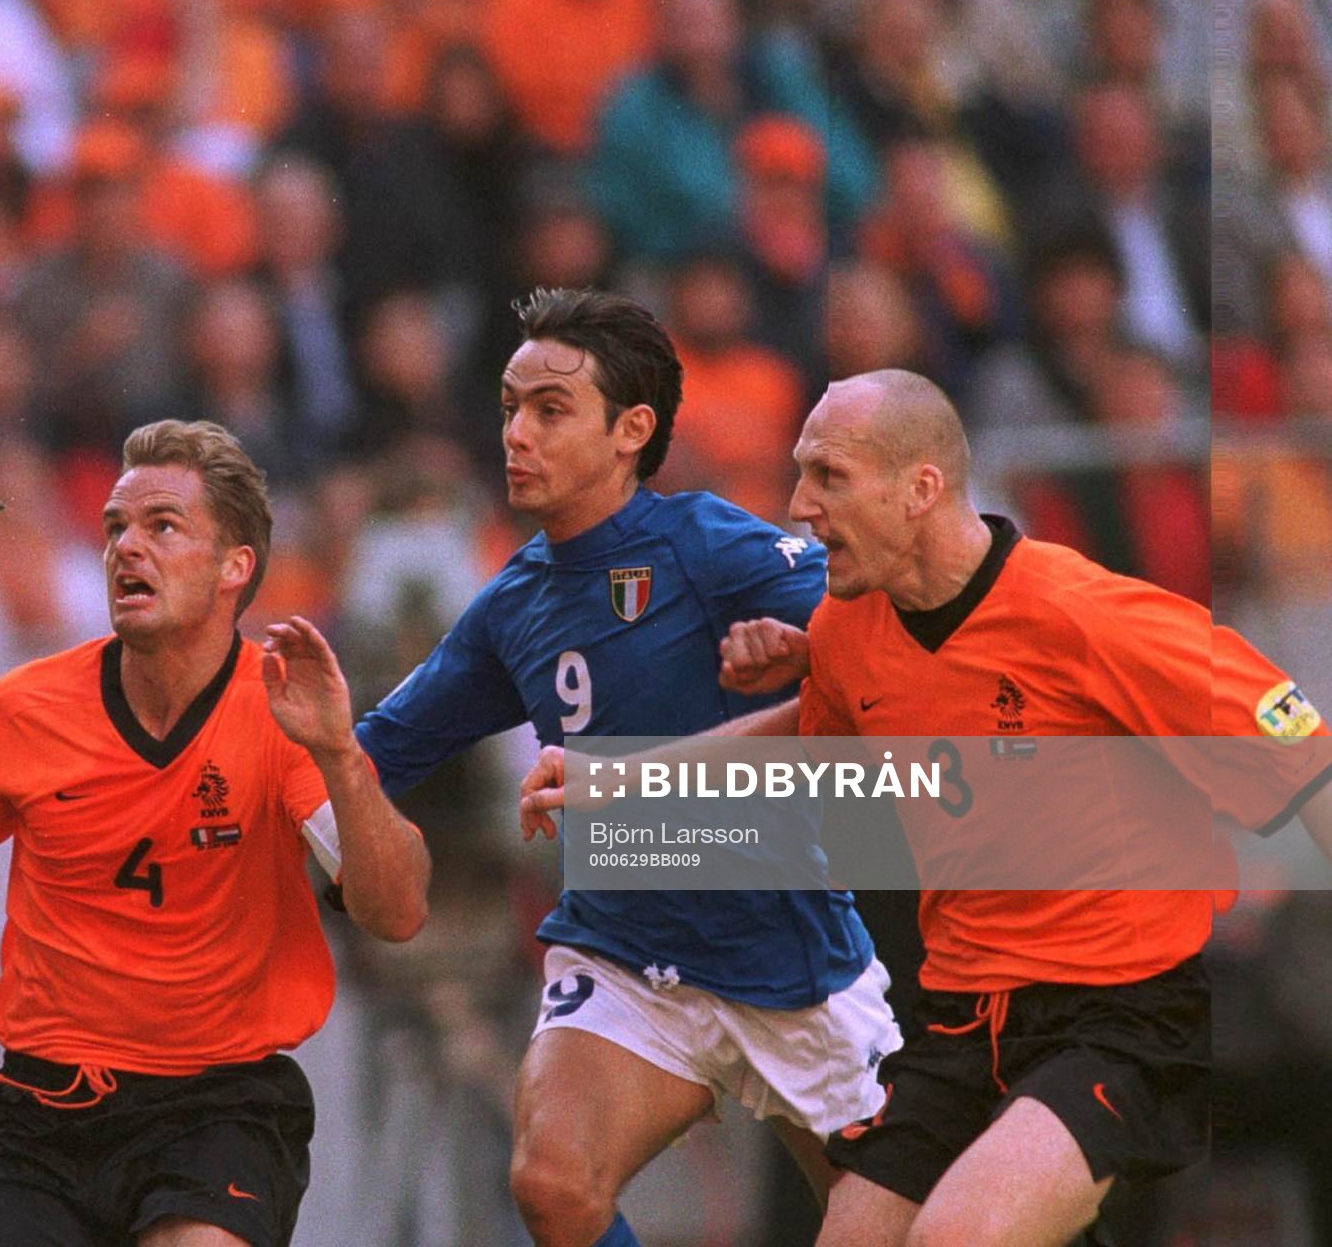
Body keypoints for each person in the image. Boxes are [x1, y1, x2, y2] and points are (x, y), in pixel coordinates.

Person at [695, 369, 1332, 1245]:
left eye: (829, 476)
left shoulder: (1082, 615)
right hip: (960, 1020)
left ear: (920, 488)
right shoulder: (846, 635)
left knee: (960, 1236)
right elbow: (813, 752)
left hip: (1122, 1014)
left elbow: (1306, 758)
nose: (799, 504)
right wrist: (613, 785)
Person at [353, 287, 899, 1247]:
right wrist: (301, 753)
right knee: (554, 1183)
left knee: (901, 1227)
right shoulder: (511, 604)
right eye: (512, 406)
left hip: (788, 959)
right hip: (625, 958)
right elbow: (379, 752)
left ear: (630, 430)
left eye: (551, 409)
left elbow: (879, 633)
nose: (517, 431)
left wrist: (808, 649)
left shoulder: (708, 543)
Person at [0, 420, 431, 1247]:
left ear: (233, 566)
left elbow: (397, 911)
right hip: (44, 1111)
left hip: (220, 1103)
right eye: (114, 528)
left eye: (162, 526)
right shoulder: (22, 709)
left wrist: (344, 756)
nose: (126, 548)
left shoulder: (285, 715)